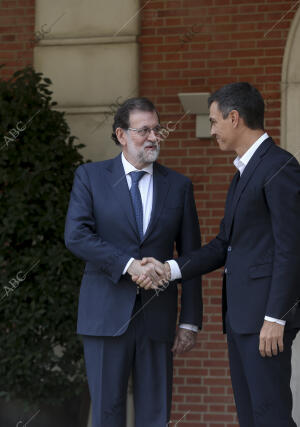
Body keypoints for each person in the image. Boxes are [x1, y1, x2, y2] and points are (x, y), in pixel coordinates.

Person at [135, 83, 300, 427]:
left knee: (270, 417)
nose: (211, 130)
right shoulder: (241, 174)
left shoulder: (279, 166)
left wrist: (276, 317)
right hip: (242, 318)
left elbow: (292, 247)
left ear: (235, 118)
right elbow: (222, 245)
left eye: (214, 121)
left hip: (265, 321)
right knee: (251, 417)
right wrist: (170, 267)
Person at [64, 97, 202, 427]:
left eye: (157, 129)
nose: (153, 137)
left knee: (156, 415)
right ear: (121, 134)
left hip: (158, 315)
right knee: (107, 413)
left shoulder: (179, 186)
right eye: (144, 130)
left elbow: (191, 256)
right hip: (104, 314)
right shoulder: (91, 177)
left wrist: (190, 320)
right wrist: (129, 265)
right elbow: (76, 236)